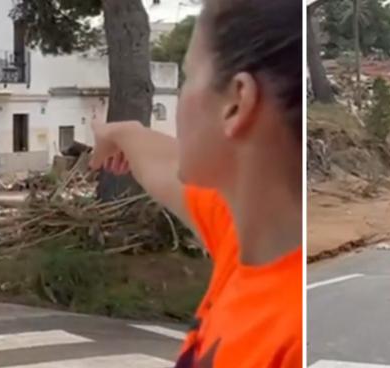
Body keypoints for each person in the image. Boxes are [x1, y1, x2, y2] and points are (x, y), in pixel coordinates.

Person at [88, 0, 302, 366]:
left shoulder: (291, 335)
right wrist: (122, 133)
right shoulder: (246, 228)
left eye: (188, 76)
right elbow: (162, 160)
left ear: (236, 102)